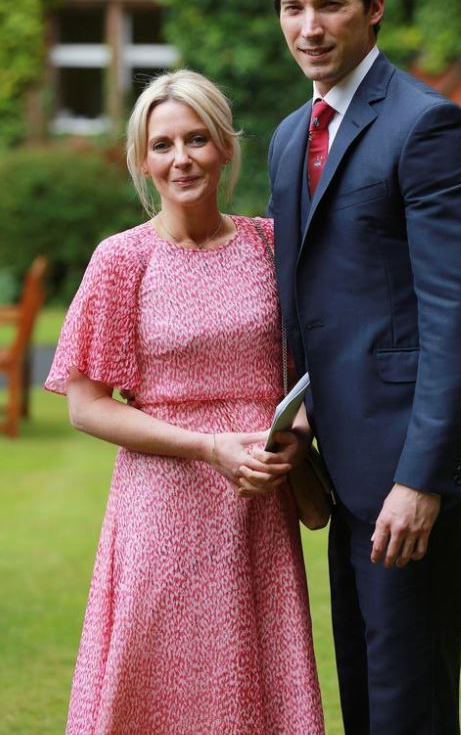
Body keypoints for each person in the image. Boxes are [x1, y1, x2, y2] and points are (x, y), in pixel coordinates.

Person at [267, 0, 461, 734]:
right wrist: (296, 410)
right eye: (293, 7)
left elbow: (457, 318)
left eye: (328, 4)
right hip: (341, 466)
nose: (309, 26)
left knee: (409, 699)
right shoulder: (291, 136)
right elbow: (307, 297)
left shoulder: (428, 127)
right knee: (366, 688)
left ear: (373, 8)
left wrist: (422, 480)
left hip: (409, 472)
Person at [45, 69, 324, 734]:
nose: (181, 159)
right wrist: (207, 447)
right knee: (159, 683)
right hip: (161, 507)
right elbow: (85, 405)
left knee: (253, 679)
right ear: (141, 159)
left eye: (197, 139)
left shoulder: (270, 245)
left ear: (225, 147)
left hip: (257, 507)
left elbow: (320, 363)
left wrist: (301, 429)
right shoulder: (121, 260)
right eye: (162, 144)